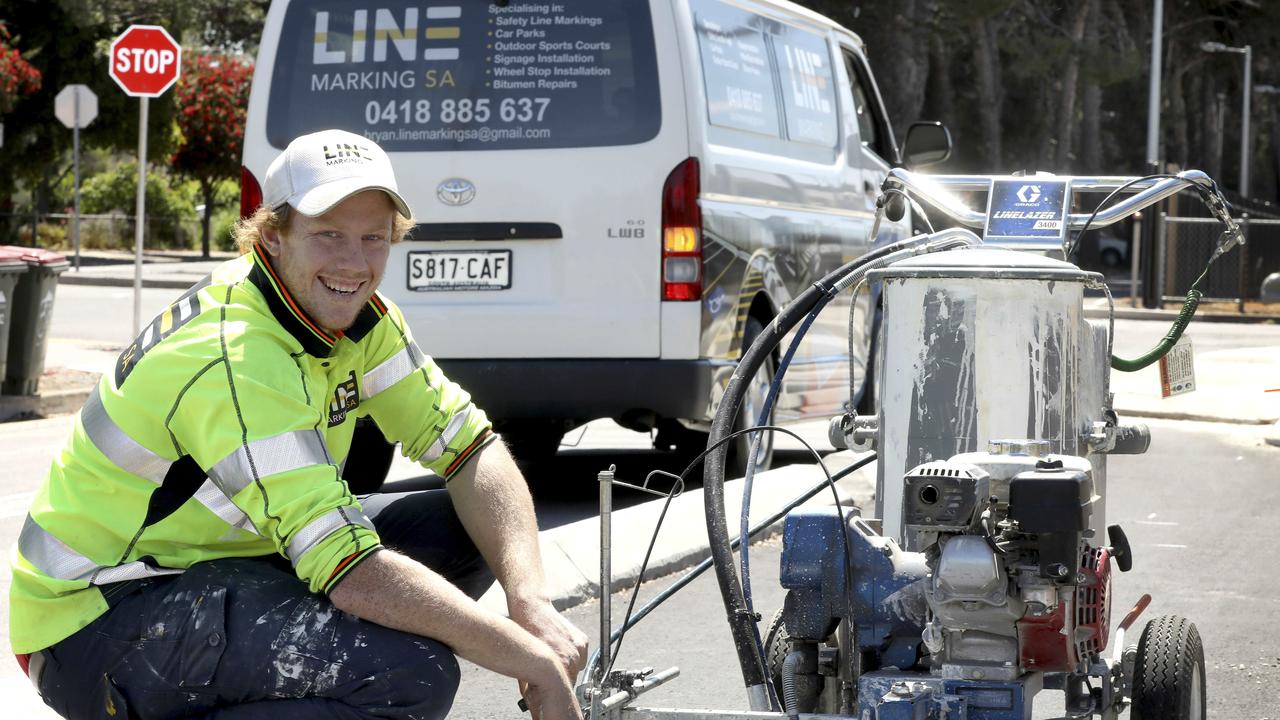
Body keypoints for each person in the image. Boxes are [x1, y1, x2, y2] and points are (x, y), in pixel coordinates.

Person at [9, 129, 587, 719]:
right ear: (274, 235)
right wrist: (528, 659)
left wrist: (529, 601)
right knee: (409, 676)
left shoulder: (356, 319)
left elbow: (472, 449)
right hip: (93, 619)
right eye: (328, 234)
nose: (354, 263)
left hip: (216, 562)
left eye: (373, 238)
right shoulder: (239, 355)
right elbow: (349, 570)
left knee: (466, 528)